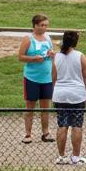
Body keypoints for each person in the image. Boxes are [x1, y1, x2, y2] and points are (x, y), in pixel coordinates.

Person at [53, 30, 86, 166]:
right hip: (76, 94)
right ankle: (75, 157)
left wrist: (54, 93)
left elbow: (53, 77)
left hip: (60, 94)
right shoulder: (80, 56)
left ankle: (61, 156)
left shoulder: (56, 57)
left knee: (62, 125)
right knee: (77, 125)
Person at [19, 13, 54, 144]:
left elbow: (51, 52)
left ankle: (45, 132)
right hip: (32, 78)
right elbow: (20, 57)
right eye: (42, 25)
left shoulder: (47, 38)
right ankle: (28, 133)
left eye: (46, 25)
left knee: (45, 108)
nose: (44, 28)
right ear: (35, 25)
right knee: (30, 107)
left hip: (46, 78)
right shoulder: (28, 39)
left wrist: (51, 54)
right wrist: (33, 58)